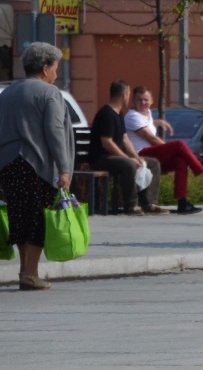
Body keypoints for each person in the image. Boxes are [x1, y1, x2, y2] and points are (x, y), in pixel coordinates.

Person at [0, 43, 74, 290]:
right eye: (55, 68)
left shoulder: (7, 93)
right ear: (45, 68)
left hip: (9, 165)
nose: (56, 73)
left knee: (20, 217)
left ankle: (25, 271)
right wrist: (64, 169)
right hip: (37, 165)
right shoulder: (49, 93)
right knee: (38, 219)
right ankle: (31, 273)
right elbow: (54, 132)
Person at [124, 86, 203, 215]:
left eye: (146, 100)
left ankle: (182, 203)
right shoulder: (132, 116)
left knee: (181, 161)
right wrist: (171, 149)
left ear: (152, 100)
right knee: (179, 145)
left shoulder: (147, 114)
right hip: (140, 155)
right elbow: (151, 139)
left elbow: (147, 124)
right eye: (139, 100)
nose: (143, 103)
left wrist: (156, 122)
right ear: (133, 101)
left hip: (153, 156)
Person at [87, 80, 165, 216]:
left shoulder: (119, 114)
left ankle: (149, 203)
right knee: (128, 164)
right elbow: (107, 143)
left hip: (114, 157)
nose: (129, 97)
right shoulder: (106, 114)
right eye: (128, 94)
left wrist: (136, 157)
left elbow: (125, 139)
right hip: (101, 158)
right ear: (124, 95)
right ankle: (131, 205)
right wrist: (127, 158)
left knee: (152, 163)